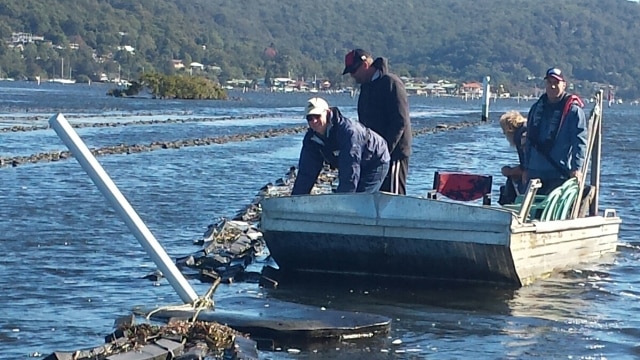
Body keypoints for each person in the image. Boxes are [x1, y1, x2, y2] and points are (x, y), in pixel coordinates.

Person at [342, 49, 412, 195]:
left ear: (365, 65)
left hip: (394, 154)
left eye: (354, 70)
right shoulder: (366, 88)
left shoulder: (391, 83)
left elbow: (400, 122)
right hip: (373, 156)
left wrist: (385, 150)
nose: (352, 75)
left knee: (393, 199)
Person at [291, 97, 390, 195]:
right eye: (310, 118)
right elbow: (306, 173)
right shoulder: (311, 139)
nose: (314, 121)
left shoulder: (349, 132)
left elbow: (350, 169)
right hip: (354, 162)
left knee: (361, 198)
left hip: (375, 161)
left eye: (317, 116)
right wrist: (295, 200)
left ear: (328, 113)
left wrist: (342, 201)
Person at [523, 67, 588, 195]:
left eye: (556, 83)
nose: (552, 86)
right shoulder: (536, 108)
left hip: (558, 174)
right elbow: (529, 139)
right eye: (549, 82)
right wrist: (525, 167)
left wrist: (577, 168)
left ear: (564, 85)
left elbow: (579, 142)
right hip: (534, 172)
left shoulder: (573, 112)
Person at [498, 111, 527, 205]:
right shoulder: (528, 129)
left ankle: (509, 207)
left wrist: (509, 171)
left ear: (509, 129)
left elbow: (526, 167)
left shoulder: (521, 137)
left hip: (537, 176)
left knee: (511, 179)